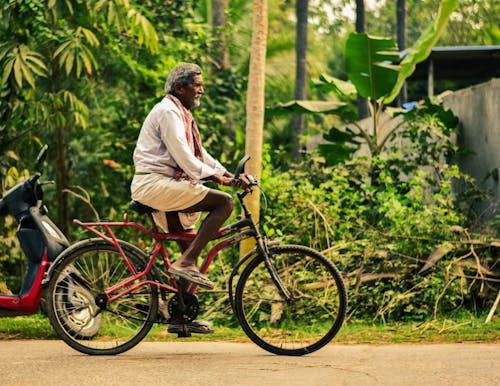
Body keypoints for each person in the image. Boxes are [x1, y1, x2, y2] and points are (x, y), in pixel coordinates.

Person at [131, 63, 248, 296]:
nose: (201, 90)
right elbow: (183, 156)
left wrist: (228, 175)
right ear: (179, 87)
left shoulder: (181, 114)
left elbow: (200, 154)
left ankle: (180, 316)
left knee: (188, 249)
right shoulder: (168, 112)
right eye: (197, 85)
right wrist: (218, 179)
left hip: (166, 187)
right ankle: (185, 263)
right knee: (224, 203)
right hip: (155, 185)